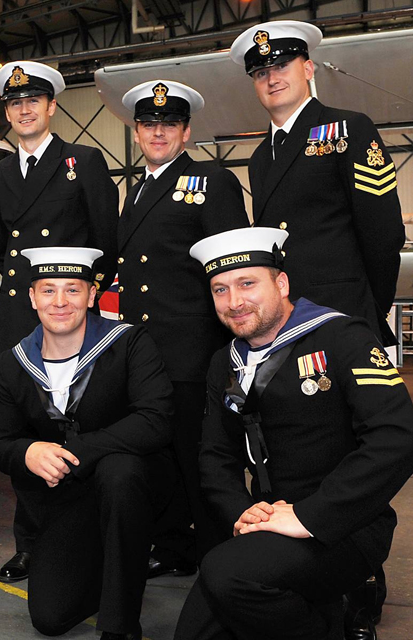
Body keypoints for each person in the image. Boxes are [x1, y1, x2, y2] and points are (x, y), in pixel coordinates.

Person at [230, 21, 405, 637]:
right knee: (300, 455)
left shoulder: (346, 128)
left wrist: (365, 315)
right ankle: (312, 565)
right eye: (259, 70)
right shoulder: (260, 153)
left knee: (355, 456)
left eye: (283, 63)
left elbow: (384, 232)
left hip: (340, 324)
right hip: (285, 332)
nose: (271, 75)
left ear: (309, 66)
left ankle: (364, 583)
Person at [174, 228, 413, 640]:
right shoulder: (223, 363)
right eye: (220, 289)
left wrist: (308, 516)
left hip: (347, 525)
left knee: (227, 574)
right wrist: (241, 512)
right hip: (268, 524)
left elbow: (397, 437)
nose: (234, 302)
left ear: (281, 283)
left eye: (248, 283)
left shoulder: (342, 338)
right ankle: (323, 614)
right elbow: (215, 456)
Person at [0, 247, 174, 639]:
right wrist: (28, 451)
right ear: (32, 297)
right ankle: (112, 565)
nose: (60, 302)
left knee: (118, 471)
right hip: (65, 501)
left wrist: (79, 451)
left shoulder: (129, 344)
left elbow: (155, 421)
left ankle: (120, 626)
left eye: (72, 290)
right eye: (48, 290)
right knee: (50, 618)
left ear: (91, 296)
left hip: (131, 490)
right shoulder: (13, 363)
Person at [0, 60, 120, 584]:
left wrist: (71, 300)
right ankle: (30, 542)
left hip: (74, 315)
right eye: (14, 102)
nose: (23, 109)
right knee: (26, 431)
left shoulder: (82, 161)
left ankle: (89, 535)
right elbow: (0, 249)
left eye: (33, 100)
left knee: (85, 424)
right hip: (23, 314)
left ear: (52, 105)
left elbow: (107, 240)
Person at [117, 80, 249, 578]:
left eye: (168, 124)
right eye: (149, 124)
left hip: (192, 350)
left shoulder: (211, 181)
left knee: (201, 462)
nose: (158, 132)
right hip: (145, 352)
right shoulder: (136, 191)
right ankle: (174, 548)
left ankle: (218, 555)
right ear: (136, 133)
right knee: (160, 459)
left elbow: (232, 269)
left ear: (186, 132)